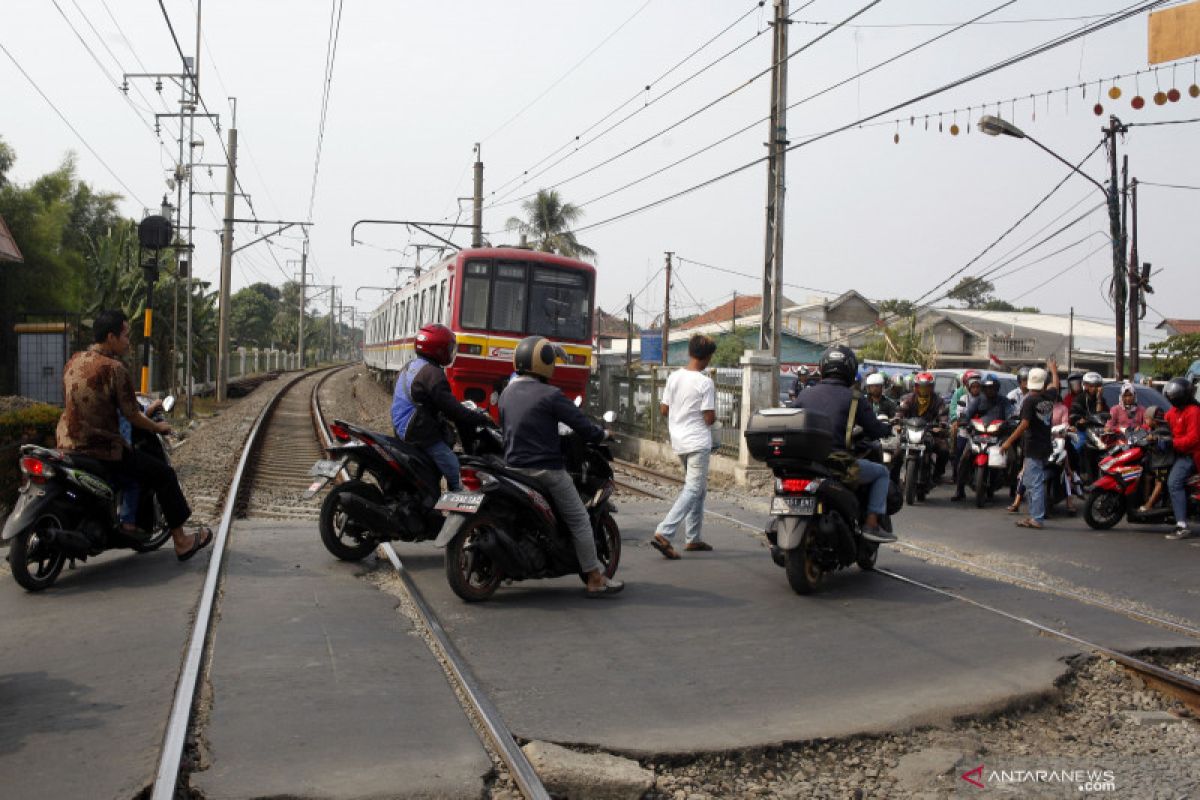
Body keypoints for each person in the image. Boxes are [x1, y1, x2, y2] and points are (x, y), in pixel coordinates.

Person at [56, 310, 210, 560]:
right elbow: (132, 415)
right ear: (110, 337)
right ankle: (181, 541)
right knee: (164, 474)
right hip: (104, 450)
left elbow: (93, 402)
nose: (128, 340)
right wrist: (158, 426)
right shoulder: (115, 369)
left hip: (68, 444)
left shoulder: (74, 361)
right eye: (125, 335)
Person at [499, 336, 624, 595]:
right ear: (544, 363)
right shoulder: (551, 395)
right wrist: (603, 435)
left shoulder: (507, 392)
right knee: (579, 519)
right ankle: (594, 577)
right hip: (545, 471)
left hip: (511, 468)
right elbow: (582, 426)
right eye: (550, 358)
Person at [790, 345, 896, 544]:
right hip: (836, 464)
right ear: (850, 369)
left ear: (823, 367)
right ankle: (872, 523)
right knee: (882, 472)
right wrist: (887, 428)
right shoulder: (855, 398)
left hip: (804, 462)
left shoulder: (805, 395)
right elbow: (874, 429)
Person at [391, 323, 493, 492]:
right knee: (455, 469)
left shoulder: (410, 366)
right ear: (438, 349)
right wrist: (482, 418)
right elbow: (453, 411)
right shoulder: (433, 374)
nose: (451, 352)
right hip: (419, 435)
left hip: (401, 430)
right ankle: (459, 506)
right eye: (449, 348)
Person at [651, 334, 718, 559]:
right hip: (698, 442)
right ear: (707, 357)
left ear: (690, 352)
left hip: (679, 441)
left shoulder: (674, 377)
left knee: (698, 490)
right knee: (693, 489)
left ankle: (693, 538)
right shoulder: (705, 382)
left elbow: (663, 409)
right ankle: (665, 531)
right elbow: (708, 418)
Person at [1000, 360, 1061, 530]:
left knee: (1034, 483)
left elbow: (1024, 424)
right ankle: (1034, 514)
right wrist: (1054, 370)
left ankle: (1037, 518)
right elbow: (1054, 385)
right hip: (1044, 445)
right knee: (1029, 480)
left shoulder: (1029, 401)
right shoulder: (1048, 397)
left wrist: (1008, 442)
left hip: (1033, 446)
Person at [951, 373, 1011, 501]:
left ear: (997, 388)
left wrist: (1010, 422)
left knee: (1012, 457)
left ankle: (1014, 488)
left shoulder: (1003, 401)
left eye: (992, 388)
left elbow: (1010, 414)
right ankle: (959, 490)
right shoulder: (978, 400)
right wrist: (964, 421)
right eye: (987, 387)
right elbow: (967, 413)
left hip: (998, 436)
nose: (989, 390)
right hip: (978, 435)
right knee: (964, 458)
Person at [1162, 378, 1200, 540]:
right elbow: (1162, 423)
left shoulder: (1194, 411)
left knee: (1174, 483)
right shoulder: (1174, 411)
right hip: (1176, 453)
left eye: (1175, 394)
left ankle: (1182, 525)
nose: (1172, 397)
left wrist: (1173, 443)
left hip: (1190, 455)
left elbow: (1194, 438)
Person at [1069, 371, 1108, 483]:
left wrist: (1099, 399)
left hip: (1098, 433)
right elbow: (1073, 416)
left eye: (1097, 386)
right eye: (1091, 386)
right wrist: (1080, 420)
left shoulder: (1101, 400)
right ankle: (1077, 473)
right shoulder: (1079, 399)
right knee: (1078, 447)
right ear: (1085, 386)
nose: (1094, 389)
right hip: (1082, 431)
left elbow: (1101, 416)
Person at [949, 370, 982, 482]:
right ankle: (957, 476)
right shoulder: (962, 397)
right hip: (966, 429)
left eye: (978, 386)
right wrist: (959, 420)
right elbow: (957, 411)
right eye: (973, 386)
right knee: (959, 451)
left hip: (981, 430)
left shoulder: (985, 399)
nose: (976, 389)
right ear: (968, 386)